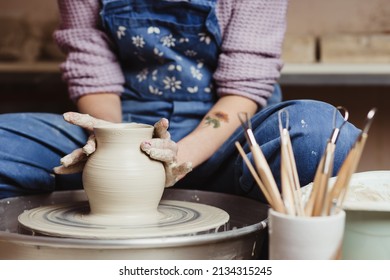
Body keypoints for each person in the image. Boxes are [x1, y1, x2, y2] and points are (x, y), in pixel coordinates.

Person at [0, 0, 360, 202]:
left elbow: (244, 85)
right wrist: (110, 138)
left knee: (323, 135)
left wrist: (178, 159)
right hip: (124, 125)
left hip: (230, 134)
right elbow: (93, 68)